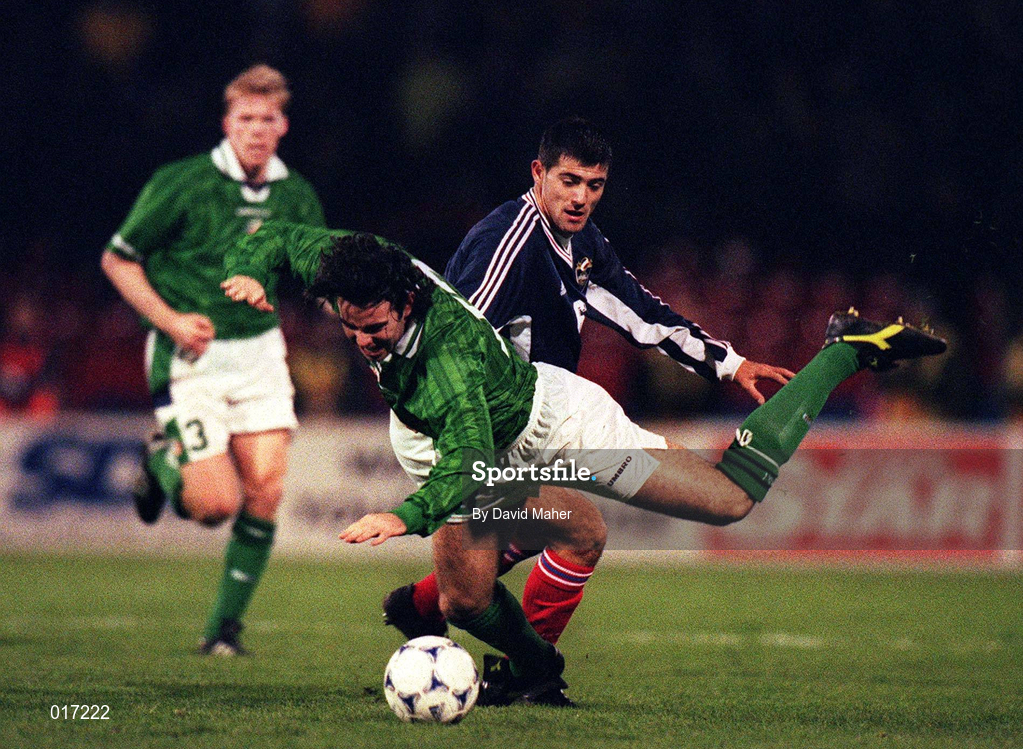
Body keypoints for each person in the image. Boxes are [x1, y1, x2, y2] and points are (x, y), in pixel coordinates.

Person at [221, 225, 945, 705]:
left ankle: (844, 350)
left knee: (727, 500)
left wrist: (400, 515)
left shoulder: (447, 368)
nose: (362, 342)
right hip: (460, 450)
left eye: (374, 328)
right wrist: (251, 271)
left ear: (407, 304)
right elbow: (278, 238)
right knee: (474, 597)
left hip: (559, 427)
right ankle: (534, 667)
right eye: (349, 327)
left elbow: (467, 466)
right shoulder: (364, 266)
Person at [382, 116, 795, 693]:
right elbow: (449, 352)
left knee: (696, 505)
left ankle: (476, 641)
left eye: (594, 185)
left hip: (550, 424)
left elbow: (640, 312)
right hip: (483, 437)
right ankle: (470, 630)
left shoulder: (581, 243)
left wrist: (731, 364)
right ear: (538, 174)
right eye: (569, 181)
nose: (581, 198)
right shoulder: (507, 246)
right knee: (474, 596)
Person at [101, 65, 326, 656]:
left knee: (267, 491)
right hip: (189, 356)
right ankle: (161, 464)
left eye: (267, 119)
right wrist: (170, 319)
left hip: (260, 354)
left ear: (283, 125)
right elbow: (119, 259)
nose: (256, 129)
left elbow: (314, 272)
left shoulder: (297, 194)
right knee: (213, 506)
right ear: (228, 123)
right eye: (245, 118)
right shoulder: (181, 182)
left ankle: (222, 631)